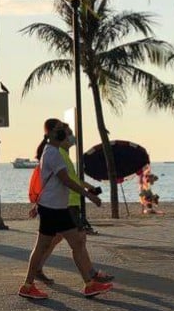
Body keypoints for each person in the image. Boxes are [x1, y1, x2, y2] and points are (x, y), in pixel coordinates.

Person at [19, 118, 113, 300]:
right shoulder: (53, 153)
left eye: (63, 128)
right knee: (43, 245)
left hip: (57, 208)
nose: (63, 132)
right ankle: (28, 285)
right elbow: (66, 180)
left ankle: (89, 284)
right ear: (49, 133)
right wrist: (90, 195)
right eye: (59, 129)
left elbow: (64, 180)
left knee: (76, 242)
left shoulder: (53, 152)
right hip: (53, 208)